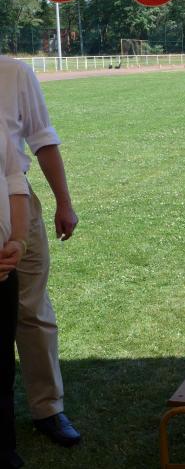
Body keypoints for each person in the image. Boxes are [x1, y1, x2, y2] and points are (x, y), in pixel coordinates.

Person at [0, 56, 80, 447]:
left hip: (17, 201)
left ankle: (47, 408)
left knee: (32, 307)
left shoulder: (14, 72)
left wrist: (64, 202)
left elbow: (42, 138)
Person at [0, 128, 31, 469]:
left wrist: (19, 241)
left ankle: (4, 450)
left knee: (2, 366)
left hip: (4, 273)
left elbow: (14, 182)